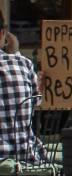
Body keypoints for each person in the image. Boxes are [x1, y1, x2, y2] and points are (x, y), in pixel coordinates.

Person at [0, 10, 42, 162]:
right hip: (25, 157)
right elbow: (38, 101)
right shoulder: (23, 63)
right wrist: (16, 53)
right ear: (3, 34)